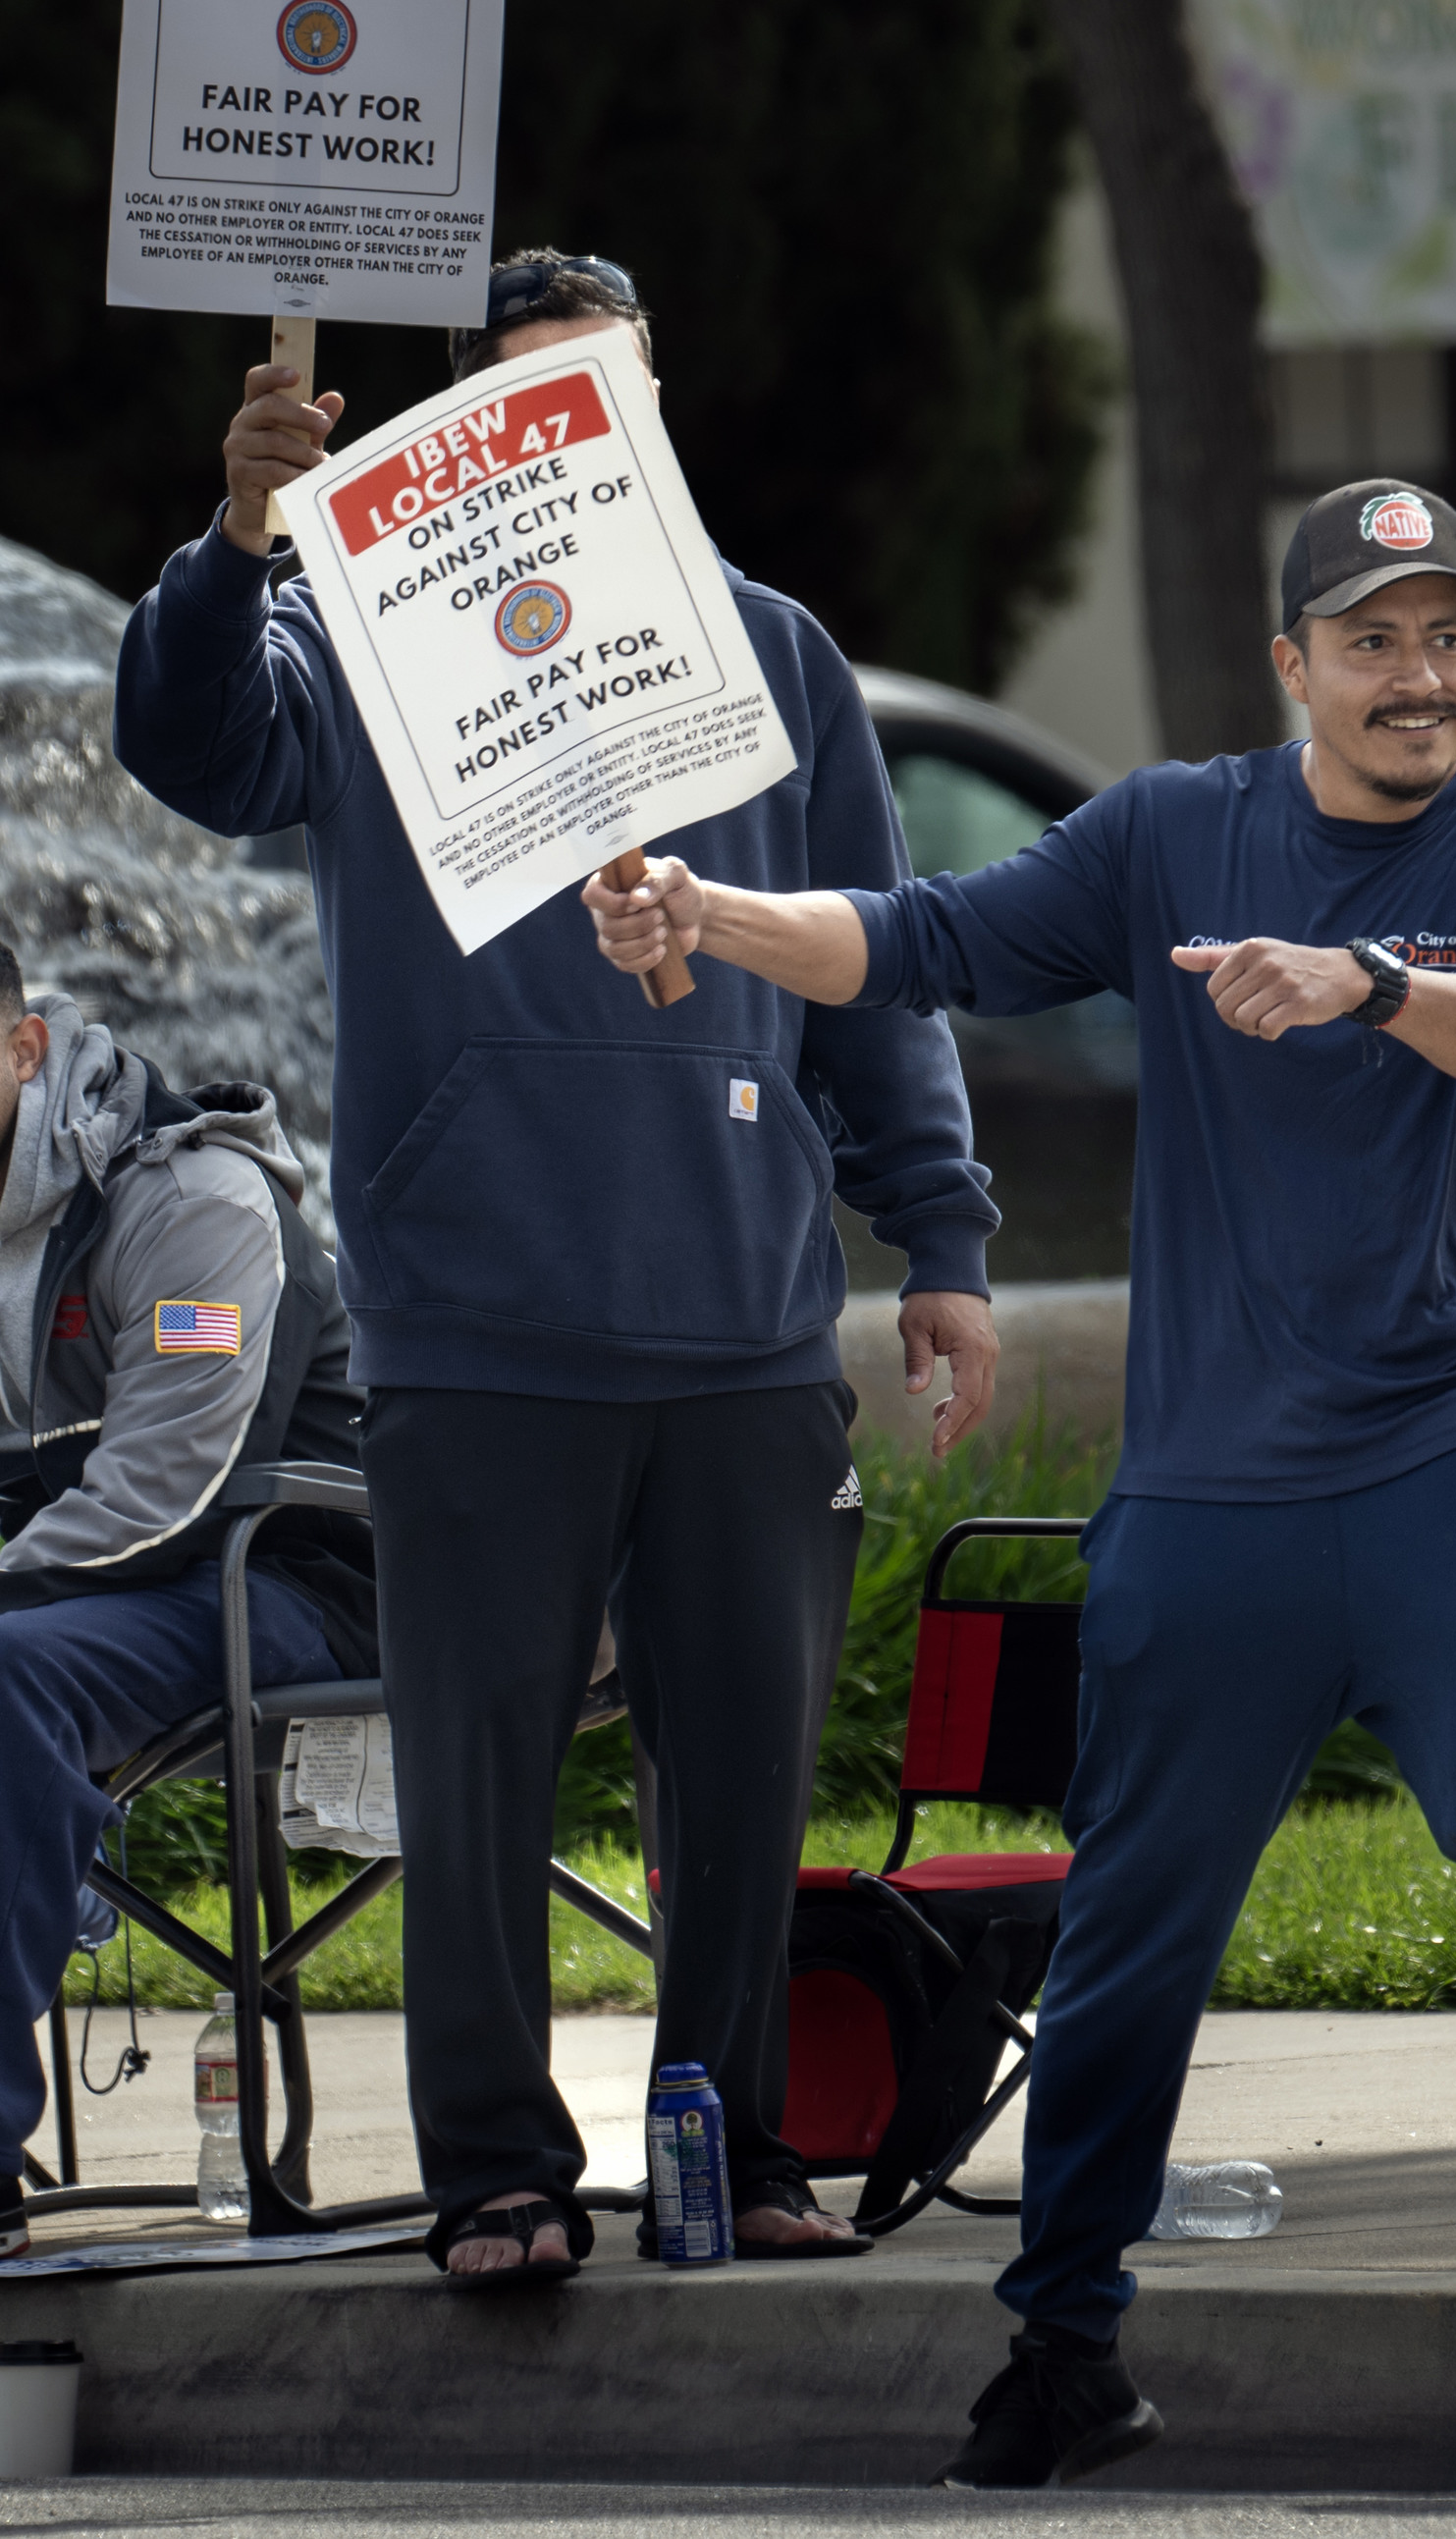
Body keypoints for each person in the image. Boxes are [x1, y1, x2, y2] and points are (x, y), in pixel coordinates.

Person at [582, 477, 1456, 2486]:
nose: (1418, 677)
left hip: (1445, 1449)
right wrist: (709, 915)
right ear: (1291, 665)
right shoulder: (1167, 831)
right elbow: (922, 937)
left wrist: (1370, 984)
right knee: (1130, 1921)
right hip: (1210, 1497)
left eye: (1446, 638)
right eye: (1371, 641)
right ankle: (1064, 2340)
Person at [113, 248, 1001, 2284]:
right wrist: (242, 538)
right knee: (478, 1784)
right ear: (464, 439)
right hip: (478, 1321)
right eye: (527, 396)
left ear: (656, 412)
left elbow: (877, 976)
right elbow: (196, 749)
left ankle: (746, 2151)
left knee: (744, 1790)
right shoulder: (357, 637)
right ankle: (495, 2179)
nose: (573, 425)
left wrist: (936, 1233)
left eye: (607, 389)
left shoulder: (778, 660)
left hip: (745, 1318)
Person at [0, 965, 373, 2260]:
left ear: (25, 1045)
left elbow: (170, 1492)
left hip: (290, 1576)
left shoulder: (193, 1199)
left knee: (6, 1679)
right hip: (115, 1587)